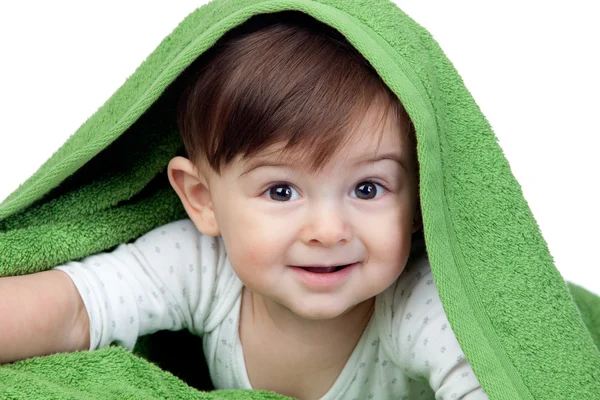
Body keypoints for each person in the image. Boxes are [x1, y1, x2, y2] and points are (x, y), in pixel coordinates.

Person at [0, 12, 488, 400]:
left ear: (422, 198)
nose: (328, 230)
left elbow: (496, 380)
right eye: (281, 191)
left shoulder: (423, 306)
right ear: (202, 199)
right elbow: (74, 311)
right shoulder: (203, 266)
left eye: (367, 189)